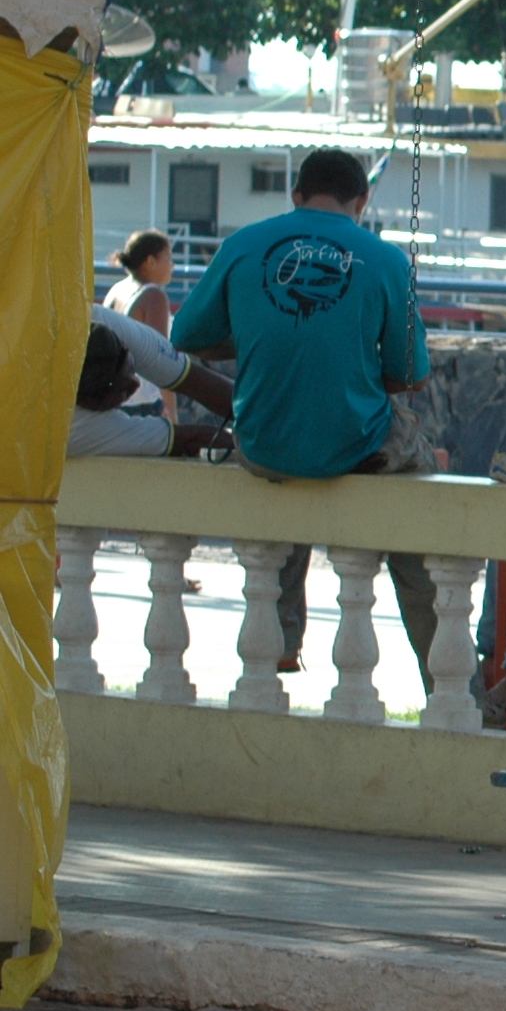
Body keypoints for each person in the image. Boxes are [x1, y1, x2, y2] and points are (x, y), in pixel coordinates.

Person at [172, 148, 441, 676]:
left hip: (261, 446)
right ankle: (445, 675)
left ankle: (284, 640)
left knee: (288, 460)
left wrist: (255, 341)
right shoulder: (384, 258)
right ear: (361, 199)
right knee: (422, 505)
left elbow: (188, 338)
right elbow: (413, 375)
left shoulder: (243, 244)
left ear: (295, 197)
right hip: (352, 445)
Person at [69, 307, 232, 458]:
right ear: (90, 402)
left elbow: (195, 381)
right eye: (126, 390)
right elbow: (190, 440)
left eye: (130, 365)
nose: (137, 384)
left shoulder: (96, 319)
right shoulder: (72, 429)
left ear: (122, 343)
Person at [101, 231, 176, 409]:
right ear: (150, 262)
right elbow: (162, 362)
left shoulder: (116, 290)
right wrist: (172, 411)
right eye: (168, 259)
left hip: (113, 399)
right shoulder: (153, 296)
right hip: (143, 403)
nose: (172, 265)